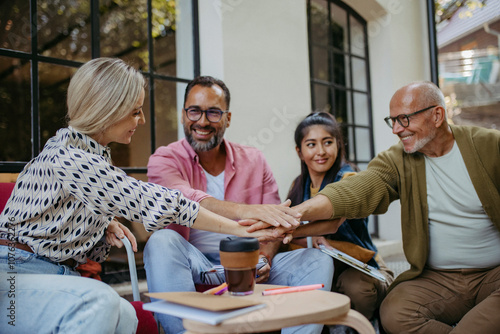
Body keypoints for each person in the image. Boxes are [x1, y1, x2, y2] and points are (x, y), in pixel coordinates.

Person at [0, 58, 287, 334]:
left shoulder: (89, 156)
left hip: (52, 273)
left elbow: (63, 206)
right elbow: (159, 202)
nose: (142, 118)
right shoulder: (69, 157)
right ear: (108, 109)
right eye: (136, 110)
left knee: (126, 316)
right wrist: (242, 227)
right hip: (15, 274)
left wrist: (105, 224)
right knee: (99, 301)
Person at [273, 81, 500, 334]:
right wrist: (291, 215)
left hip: (495, 273)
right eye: (391, 121)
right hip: (440, 278)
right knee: (394, 313)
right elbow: (359, 188)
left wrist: (290, 221)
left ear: (437, 115)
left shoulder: (490, 146)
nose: (395, 129)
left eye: (403, 119)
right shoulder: (398, 159)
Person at [145, 75, 334, 334]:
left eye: (213, 112)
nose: (202, 121)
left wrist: (264, 258)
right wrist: (245, 210)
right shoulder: (164, 159)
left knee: (317, 260)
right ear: (182, 115)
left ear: (227, 118)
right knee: (161, 241)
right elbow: (182, 199)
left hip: (249, 262)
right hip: (196, 264)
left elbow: (272, 223)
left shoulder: (254, 160)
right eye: (194, 111)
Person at [285, 112, 394, 326]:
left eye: (328, 142)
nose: (321, 151)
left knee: (357, 288)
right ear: (299, 151)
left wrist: (288, 231)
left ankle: (365, 326)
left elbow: (332, 222)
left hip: (364, 269)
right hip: (325, 267)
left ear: (339, 145)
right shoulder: (298, 185)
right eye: (311, 144)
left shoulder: (349, 177)